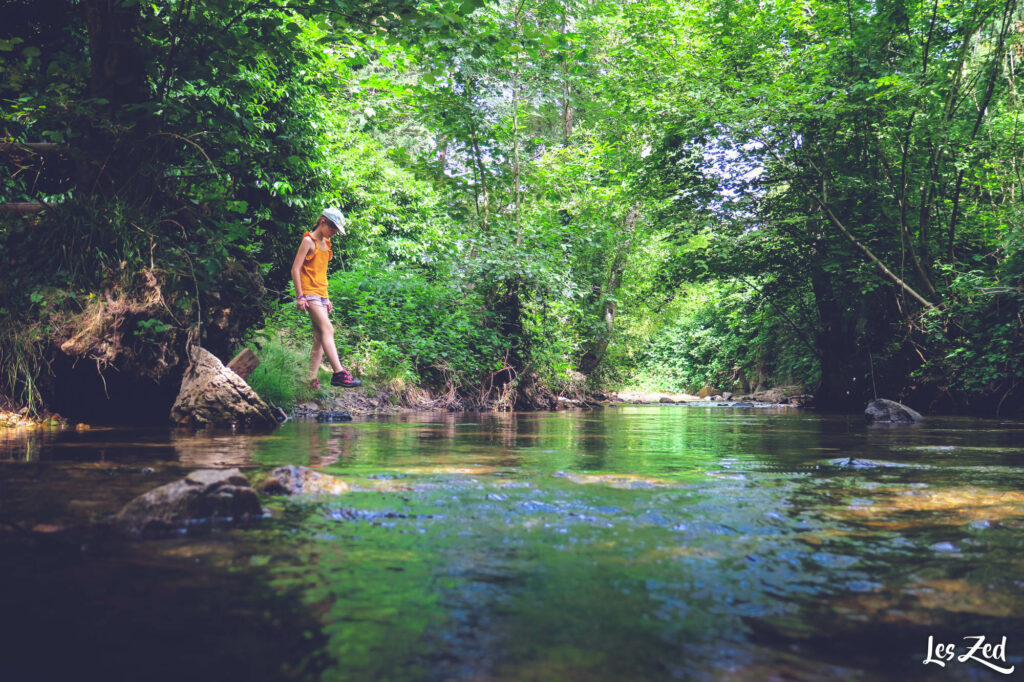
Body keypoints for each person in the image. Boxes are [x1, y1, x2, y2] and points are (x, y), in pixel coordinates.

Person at [290, 207, 362, 389]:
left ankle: (310, 380)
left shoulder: (326, 244)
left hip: (321, 295)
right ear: (322, 222)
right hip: (309, 294)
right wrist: (300, 296)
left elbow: (321, 273)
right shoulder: (309, 241)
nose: (334, 233)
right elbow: (295, 269)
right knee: (328, 330)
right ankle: (339, 374)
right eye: (333, 229)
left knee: (319, 337)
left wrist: (327, 298)